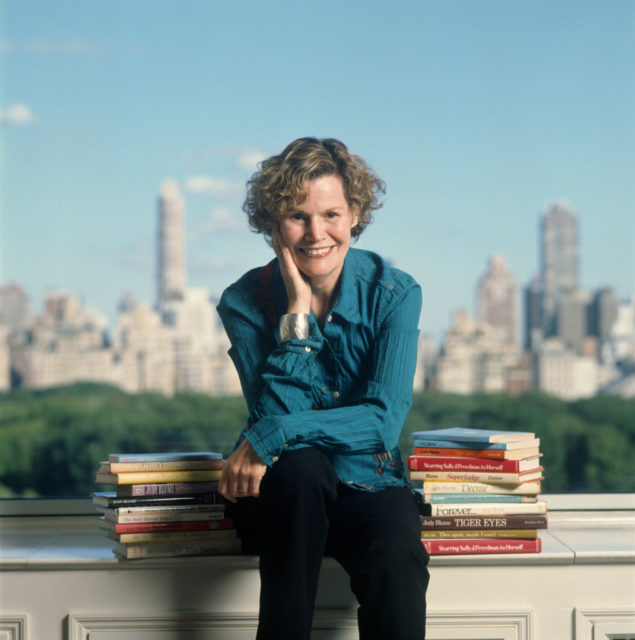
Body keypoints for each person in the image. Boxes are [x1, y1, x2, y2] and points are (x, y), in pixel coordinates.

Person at [217, 137, 430, 640]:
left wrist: (275, 434)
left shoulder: (395, 293)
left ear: (355, 213)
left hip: (368, 481)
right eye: (297, 217)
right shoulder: (243, 300)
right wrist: (296, 314)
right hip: (283, 491)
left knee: (398, 553)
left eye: (331, 214)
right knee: (302, 469)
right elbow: (270, 408)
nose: (317, 233)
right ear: (273, 224)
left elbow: (381, 422)